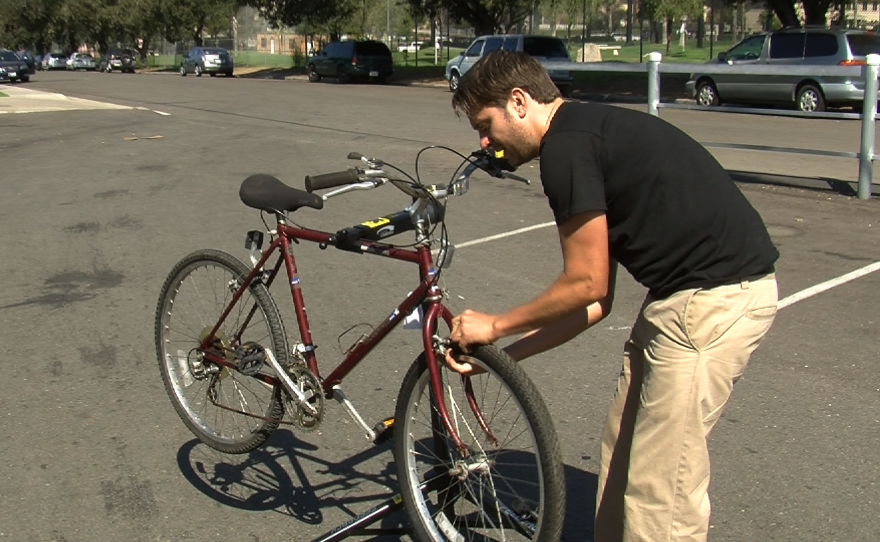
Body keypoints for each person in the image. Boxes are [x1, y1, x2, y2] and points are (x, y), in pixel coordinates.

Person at [445, 50, 779, 542]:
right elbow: (595, 304)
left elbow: (587, 284)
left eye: (484, 124)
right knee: (623, 456)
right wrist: (502, 357)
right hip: (680, 300)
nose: (484, 141)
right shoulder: (585, 131)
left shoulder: (566, 150)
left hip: (709, 303)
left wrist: (493, 326)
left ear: (518, 102)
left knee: (660, 491)